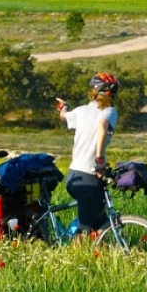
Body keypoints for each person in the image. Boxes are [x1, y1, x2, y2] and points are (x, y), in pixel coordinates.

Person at [57, 72, 119, 232]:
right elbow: (102, 125)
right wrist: (99, 158)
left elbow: (64, 116)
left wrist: (63, 106)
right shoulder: (109, 112)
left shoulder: (81, 110)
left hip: (74, 175)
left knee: (99, 222)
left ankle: (103, 250)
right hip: (88, 176)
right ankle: (74, 251)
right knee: (86, 229)